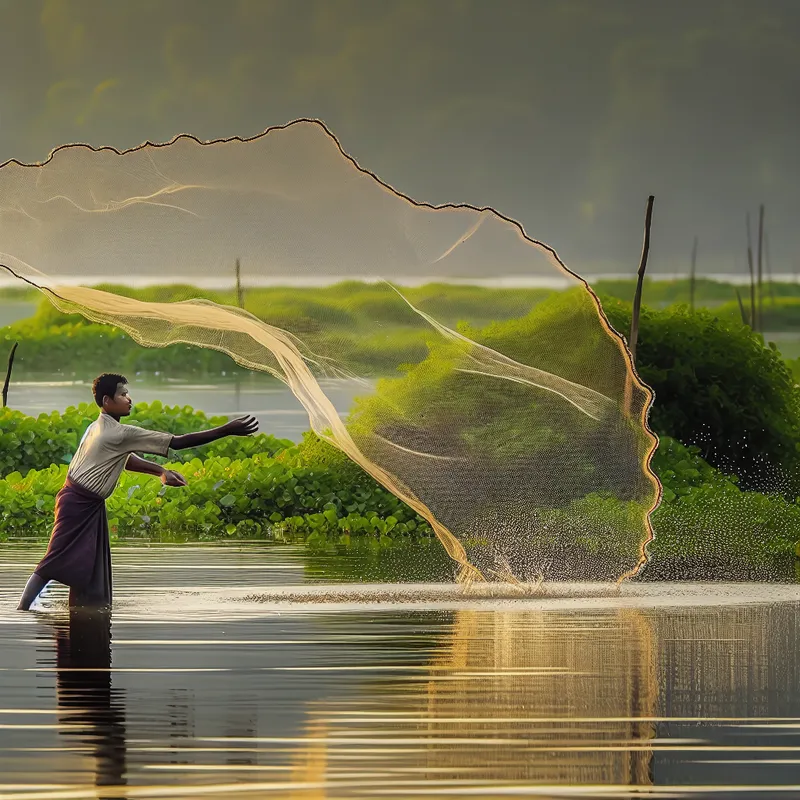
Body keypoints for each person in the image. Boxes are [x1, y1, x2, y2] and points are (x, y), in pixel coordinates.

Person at [17, 372, 258, 611]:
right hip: (78, 504)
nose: (129, 399)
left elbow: (125, 458)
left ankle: (84, 614)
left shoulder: (98, 426)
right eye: (122, 395)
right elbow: (178, 442)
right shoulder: (119, 432)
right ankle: (21, 611)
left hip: (80, 503)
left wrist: (160, 471)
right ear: (106, 401)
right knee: (51, 563)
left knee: (88, 568)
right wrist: (226, 429)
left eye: (128, 393)